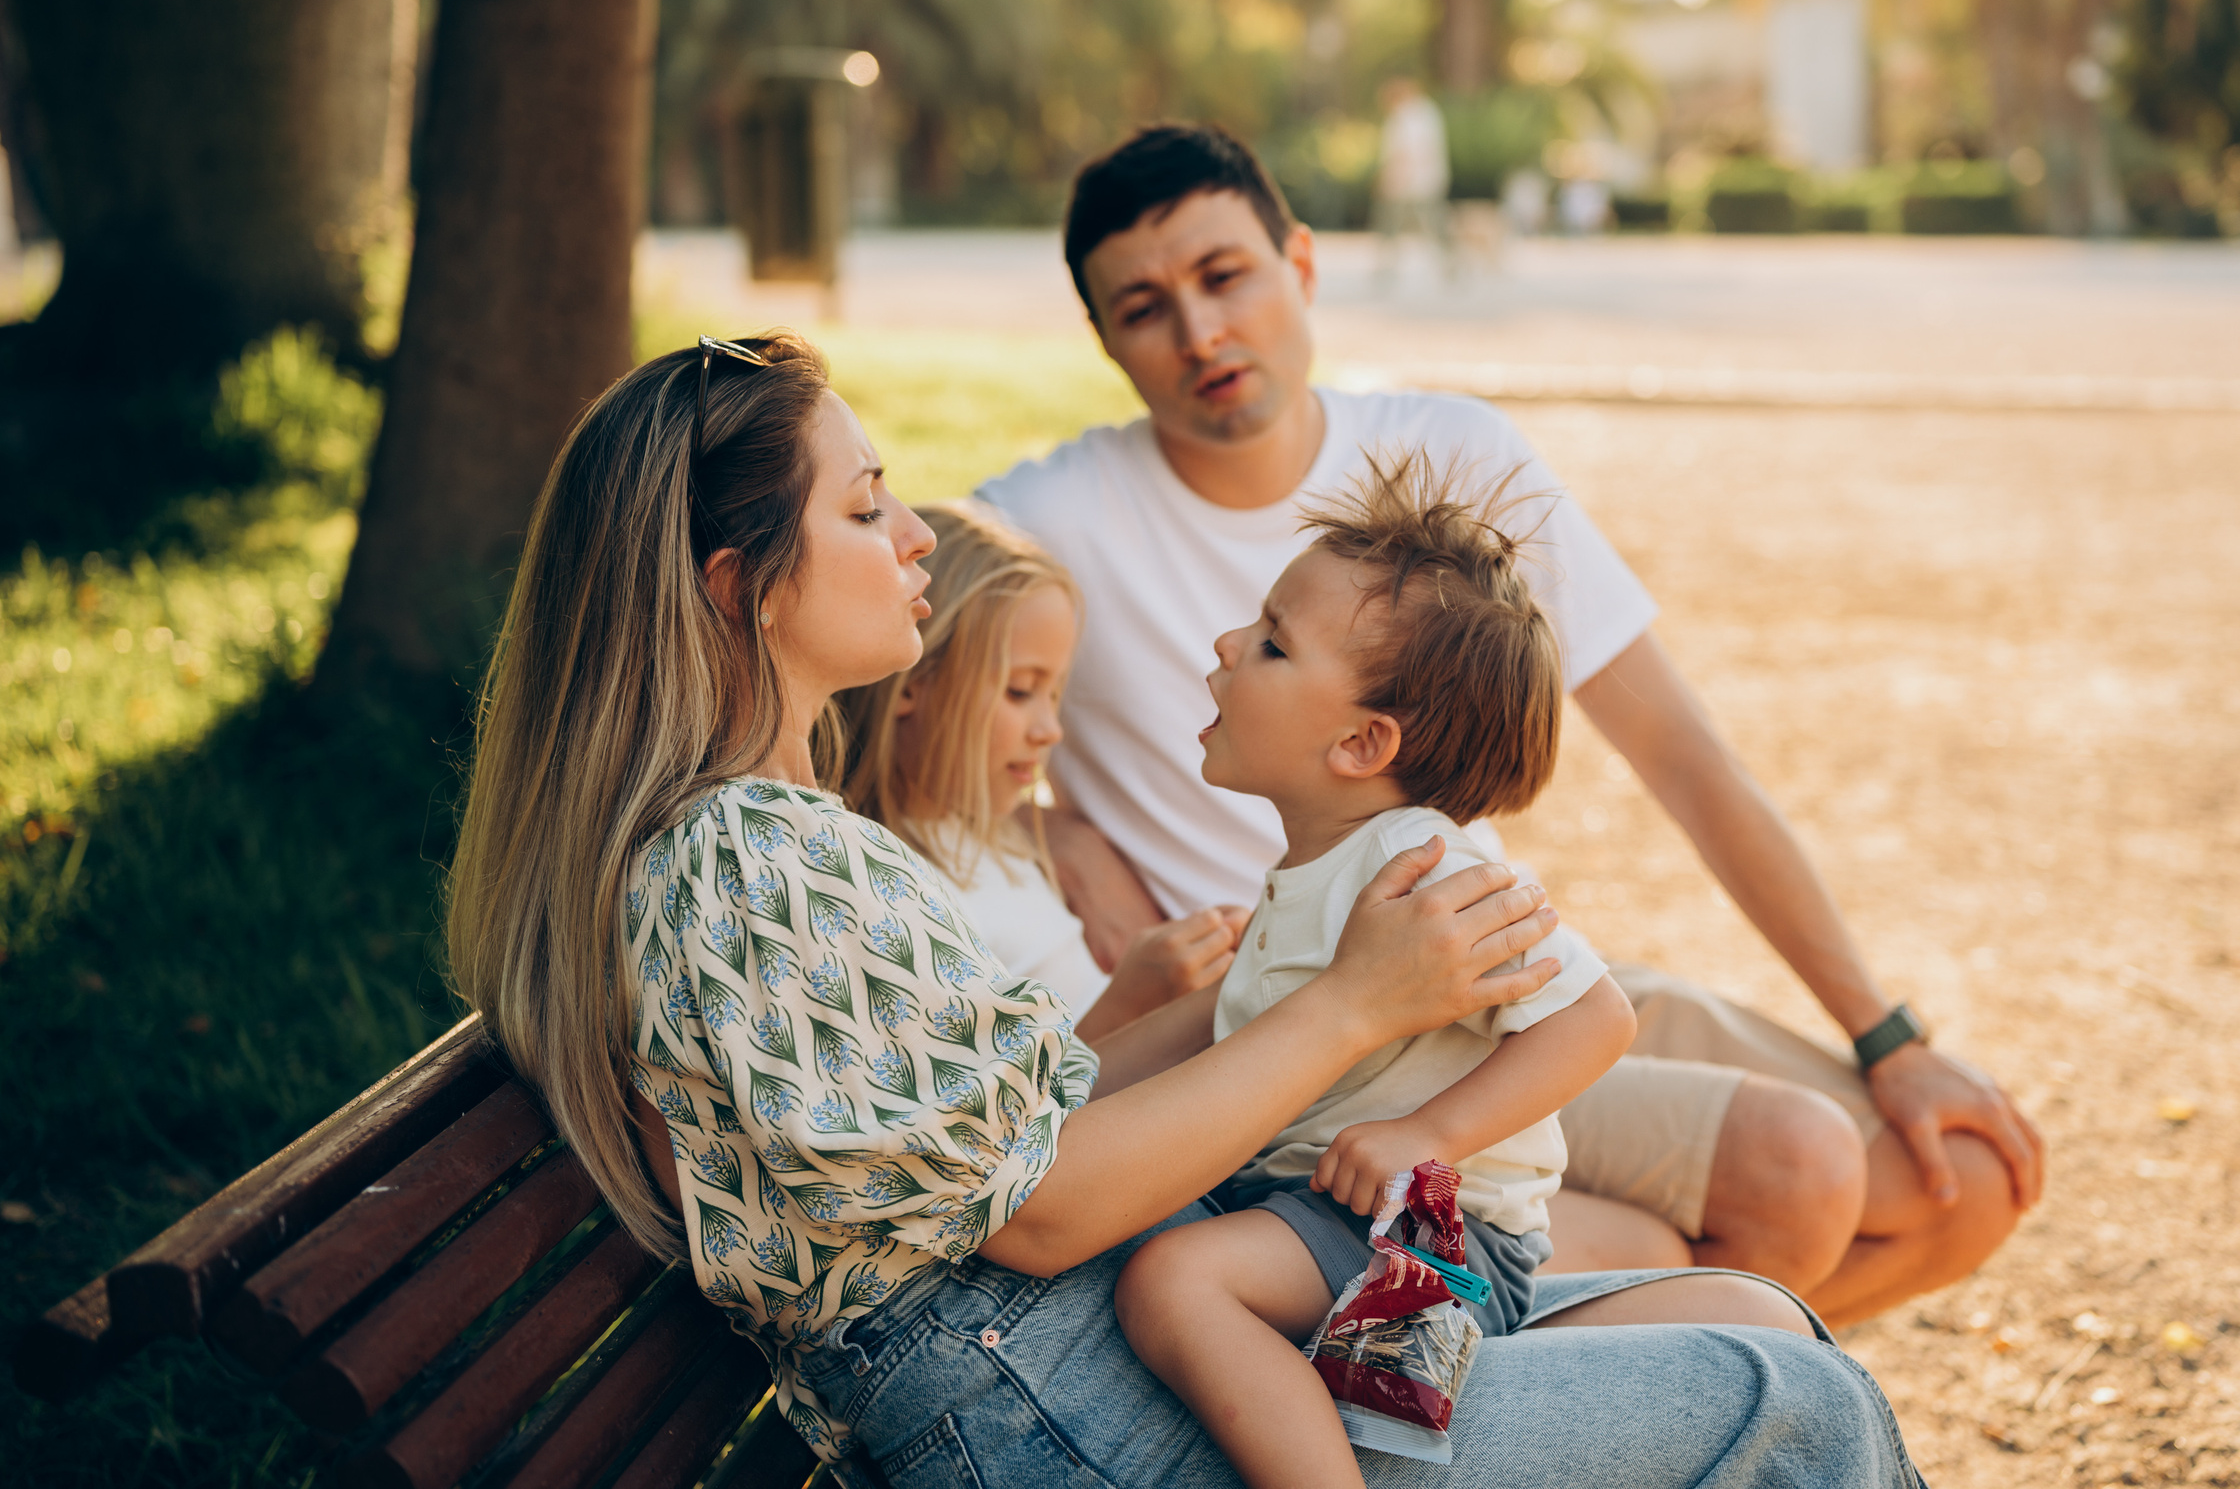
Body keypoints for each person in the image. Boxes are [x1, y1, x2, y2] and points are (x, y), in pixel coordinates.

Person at [441, 331, 1930, 1485]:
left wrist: (1225, 1007)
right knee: (1793, 1411)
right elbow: (1040, 1215)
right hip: (1049, 1407)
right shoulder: (749, 866)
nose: (913, 541)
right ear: (736, 588)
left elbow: (1010, 1139)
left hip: (1090, 1353)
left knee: (1753, 1321)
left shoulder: (786, 844)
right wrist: (1351, 1003)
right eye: (866, 507)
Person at [978, 123, 2047, 1325]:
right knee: (1789, 1181)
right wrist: (1043, 822)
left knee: (1964, 1181)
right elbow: (884, 680)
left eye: (1224, 277)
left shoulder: (1453, 459)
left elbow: (1685, 759)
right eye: (1142, 308)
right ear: (1104, 339)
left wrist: (1886, 1032)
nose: (1199, 334)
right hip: (1310, 1054)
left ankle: (1634, 1362)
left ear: (1302, 263)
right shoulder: (1049, 520)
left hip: (1494, 974)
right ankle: (1632, 1347)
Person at [1115, 456, 1643, 1485]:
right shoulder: (1315, 869)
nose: (1226, 646)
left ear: (1361, 741)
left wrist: (1426, 1136)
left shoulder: (1422, 860)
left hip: (1434, 1232)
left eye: (1270, 643)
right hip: (1324, 1207)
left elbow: (1596, 1019)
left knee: (1174, 1283)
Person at [832, 499, 1246, 1040]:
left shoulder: (994, 835)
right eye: (1020, 691)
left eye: (1054, 696)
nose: (1049, 730)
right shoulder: (895, 894)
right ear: (911, 679)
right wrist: (1131, 1003)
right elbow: (1006, 1112)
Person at [1372, 77, 1452, 286]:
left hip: (1411, 181)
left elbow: (1407, 151)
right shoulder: (1426, 112)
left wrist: (1393, 178)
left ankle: (1387, 269)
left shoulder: (1410, 115)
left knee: (1405, 226)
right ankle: (1448, 266)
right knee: (1428, 225)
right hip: (1423, 180)